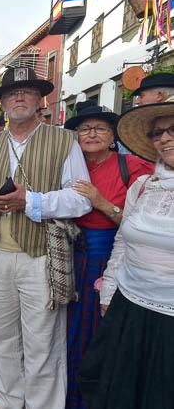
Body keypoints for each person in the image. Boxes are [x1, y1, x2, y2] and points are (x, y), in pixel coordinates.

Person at [0, 67, 92, 409]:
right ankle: (6, 399)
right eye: (11, 93)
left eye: (27, 91)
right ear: (3, 103)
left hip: (41, 256)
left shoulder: (65, 140)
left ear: (40, 100)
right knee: (1, 336)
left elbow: (81, 199)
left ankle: (43, 405)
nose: (18, 97)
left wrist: (31, 201)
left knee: (42, 341)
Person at [78, 98, 174, 408]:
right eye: (157, 133)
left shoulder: (131, 168)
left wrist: (100, 201)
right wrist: (109, 291)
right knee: (122, 387)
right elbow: (124, 241)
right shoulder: (145, 185)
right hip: (129, 305)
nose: (164, 138)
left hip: (169, 315)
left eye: (173, 130)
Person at [61, 102, 153, 408]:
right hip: (68, 256)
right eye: (84, 128)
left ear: (112, 134)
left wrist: (102, 203)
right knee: (64, 330)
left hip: (106, 260)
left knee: (96, 333)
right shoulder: (68, 166)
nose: (91, 134)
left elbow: (141, 226)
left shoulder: (134, 169)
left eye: (99, 128)